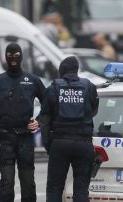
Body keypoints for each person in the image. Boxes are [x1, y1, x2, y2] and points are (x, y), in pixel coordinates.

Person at [0, 43, 45, 202]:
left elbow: (49, 105)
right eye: (9, 55)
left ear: (21, 56)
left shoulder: (33, 81)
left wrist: (39, 121)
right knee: (7, 182)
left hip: (25, 137)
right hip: (4, 137)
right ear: (5, 57)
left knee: (28, 181)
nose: (13, 59)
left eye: (16, 55)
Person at [39, 56, 99, 202]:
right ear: (76, 70)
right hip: (83, 143)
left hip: (59, 143)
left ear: (62, 70)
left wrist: (49, 145)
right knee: (81, 189)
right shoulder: (89, 86)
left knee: (54, 188)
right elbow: (94, 111)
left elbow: (44, 119)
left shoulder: (53, 88)